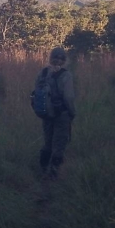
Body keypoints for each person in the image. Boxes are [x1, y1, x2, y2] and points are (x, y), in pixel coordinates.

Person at [35, 46, 76, 179]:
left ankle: (42, 169)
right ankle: (54, 174)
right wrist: (72, 112)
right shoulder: (66, 75)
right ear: (64, 60)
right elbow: (68, 97)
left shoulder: (42, 73)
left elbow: (36, 92)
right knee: (59, 143)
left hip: (46, 113)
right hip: (61, 114)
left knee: (48, 141)